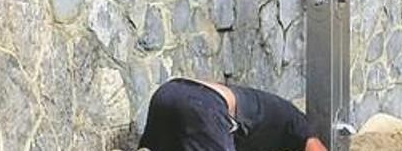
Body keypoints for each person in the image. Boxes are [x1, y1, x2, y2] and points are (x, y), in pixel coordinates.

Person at [138, 78, 329, 151]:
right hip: (202, 106)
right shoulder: (296, 122)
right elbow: (316, 147)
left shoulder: (265, 126)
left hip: (169, 92)